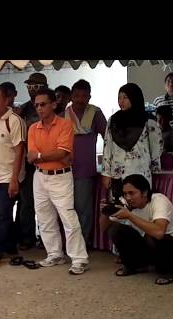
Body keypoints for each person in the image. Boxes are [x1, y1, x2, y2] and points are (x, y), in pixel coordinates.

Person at [27, 87, 89, 275]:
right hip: (40, 176)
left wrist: (40, 155)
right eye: (36, 105)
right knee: (44, 218)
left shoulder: (64, 125)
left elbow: (63, 153)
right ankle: (54, 253)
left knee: (68, 218)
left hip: (60, 176)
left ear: (54, 104)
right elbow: (31, 157)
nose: (39, 108)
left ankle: (79, 259)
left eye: (43, 104)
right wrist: (46, 155)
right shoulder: (32, 128)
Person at [99, 174, 173, 285]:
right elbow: (104, 228)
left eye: (132, 193)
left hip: (172, 248)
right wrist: (105, 212)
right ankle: (134, 265)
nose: (128, 198)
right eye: (125, 194)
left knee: (152, 235)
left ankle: (166, 271)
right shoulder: (125, 203)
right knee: (116, 229)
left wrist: (129, 216)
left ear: (145, 192)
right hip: (148, 245)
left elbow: (159, 232)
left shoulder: (159, 200)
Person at [64, 79, 107, 247]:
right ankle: (70, 243)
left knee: (84, 209)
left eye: (83, 96)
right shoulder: (64, 114)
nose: (79, 99)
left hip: (85, 169)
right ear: (71, 96)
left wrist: (107, 164)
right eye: (76, 96)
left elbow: (107, 138)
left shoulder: (95, 113)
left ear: (89, 97)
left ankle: (83, 243)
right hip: (64, 169)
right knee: (68, 209)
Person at [0, 85, 25, 269]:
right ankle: (10, 246)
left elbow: (19, 152)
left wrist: (14, 179)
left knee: (2, 215)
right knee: (1, 214)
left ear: (6, 100)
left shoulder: (15, 121)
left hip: (9, 177)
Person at [102, 83, 163, 189]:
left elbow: (156, 146)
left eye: (125, 97)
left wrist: (154, 168)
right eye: (119, 98)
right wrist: (106, 173)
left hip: (141, 172)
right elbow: (108, 147)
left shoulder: (148, 120)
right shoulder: (113, 120)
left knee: (141, 204)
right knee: (119, 204)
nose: (121, 101)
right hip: (117, 173)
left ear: (134, 98)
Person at [18, 72, 48, 250]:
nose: (31, 89)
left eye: (35, 86)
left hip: (50, 161)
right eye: (29, 85)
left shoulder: (55, 107)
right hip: (29, 163)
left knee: (47, 204)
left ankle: (47, 239)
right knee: (27, 203)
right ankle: (28, 238)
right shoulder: (22, 110)